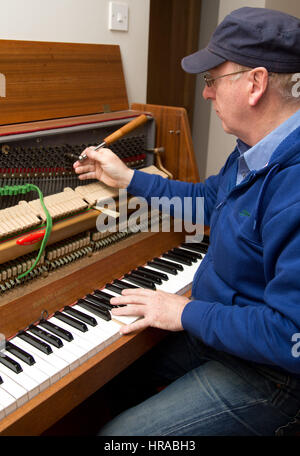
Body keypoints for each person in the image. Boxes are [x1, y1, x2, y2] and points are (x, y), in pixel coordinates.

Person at [73, 7, 300, 436]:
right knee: (110, 379)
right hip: (222, 333)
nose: (206, 94)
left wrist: (184, 311)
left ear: (255, 83)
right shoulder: (253, 149)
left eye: (213, 80)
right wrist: (129, 179)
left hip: (273, 376)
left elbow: (291, 337)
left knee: (119, 439)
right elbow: (207, 199)